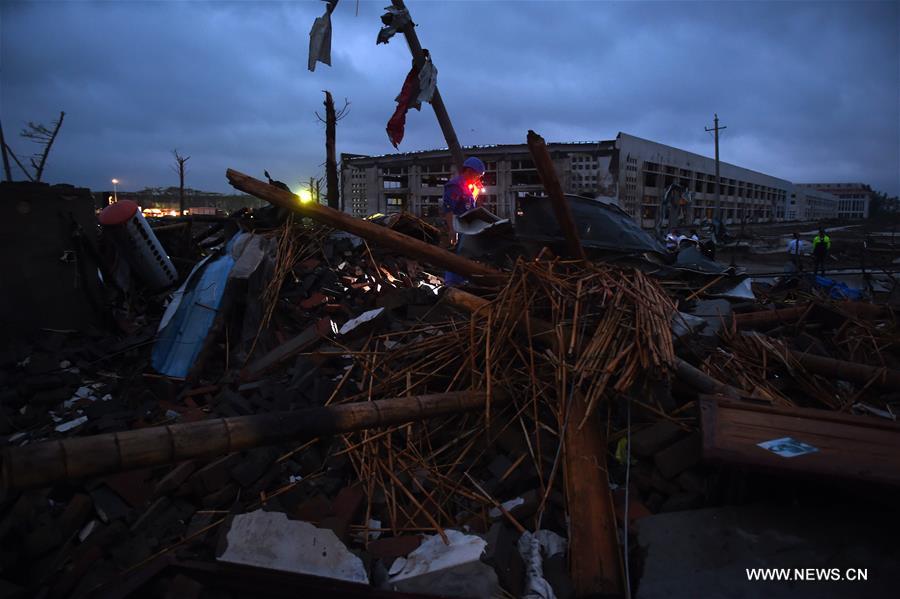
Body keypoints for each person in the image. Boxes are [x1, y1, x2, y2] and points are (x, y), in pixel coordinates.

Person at [441, 156, 485, 285]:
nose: (478, 178)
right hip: (457, 227)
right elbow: (448, 209)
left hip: (467, 228)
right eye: (477, 175)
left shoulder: (469, 187)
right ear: (469, 171)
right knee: (455, 258)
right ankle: (451, 284)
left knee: (465, 256)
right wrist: (452, 230)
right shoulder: (455, 185)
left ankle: (462, 282)